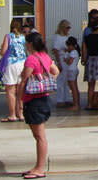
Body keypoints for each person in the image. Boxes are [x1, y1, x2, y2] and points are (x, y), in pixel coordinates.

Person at [18, 32, 59, 180]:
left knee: (40, 136)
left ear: (29, 44)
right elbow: (56, 71)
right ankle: (37, 166)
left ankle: (40, 168)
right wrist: (45, 83)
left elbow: (24, 80)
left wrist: (19, 102)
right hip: (44, 99)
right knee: (38, 135)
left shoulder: (31, 59)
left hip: (33, 101)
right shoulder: (45, 56)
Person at [0, 19, 27, 122]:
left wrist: (1, 49)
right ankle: (21, 113)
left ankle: (12, 114)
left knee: (10, 91)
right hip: (22, 64)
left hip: (11, 64)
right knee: (21, 90)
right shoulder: (23, 37)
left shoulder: (8, 36)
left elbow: (3, 52)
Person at [50, 19, 71, 107]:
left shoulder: (66, 37)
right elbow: (56, 50)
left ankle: (67, 98)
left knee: (67, 81)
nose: (68, 29)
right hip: (61, 59)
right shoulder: (58, 37)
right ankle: (60, 100)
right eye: (67, 27)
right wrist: (58, 62)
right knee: (60, 81)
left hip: (67, 59)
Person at [63, 37, 81, 111]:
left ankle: (76, 104)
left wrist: (65, 60)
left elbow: (69, 62)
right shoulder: (74, 52)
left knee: (73, 88)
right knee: (75, 87)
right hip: (73, 70)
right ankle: (76, 103)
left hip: (71, 70)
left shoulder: (73, 52)